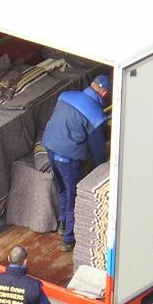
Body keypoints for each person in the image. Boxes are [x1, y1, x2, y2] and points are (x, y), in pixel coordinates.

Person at [41, 75, 111, 252]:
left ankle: (62, 223)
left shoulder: (65, 96)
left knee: (62, 190)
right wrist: (101, 172)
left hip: (50, 150)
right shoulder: (96, 115)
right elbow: (98, 152)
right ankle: (68, 239)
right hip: (68, 159)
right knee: (74, 196)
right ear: (104, 93)